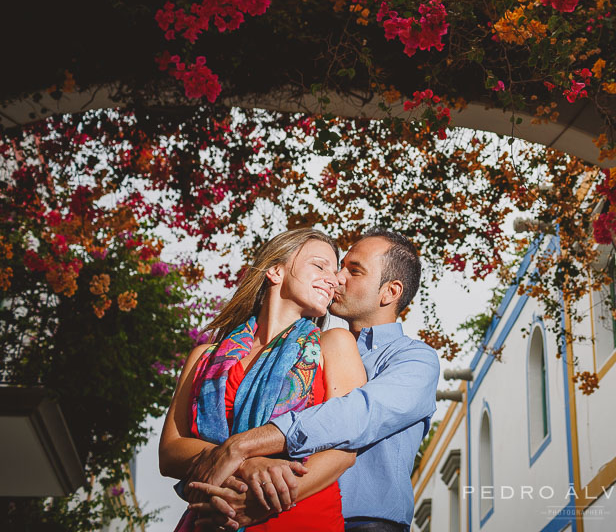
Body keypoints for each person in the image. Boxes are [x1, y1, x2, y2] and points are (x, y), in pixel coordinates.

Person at [184, 228, 441, 532]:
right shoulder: (304, 350)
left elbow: (355, 415)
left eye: (353, 270)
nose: (337, 278)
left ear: (390, 292)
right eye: (336, 267)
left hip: (364, 523)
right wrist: (243, 465)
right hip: (271, 513)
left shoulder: (414, 360)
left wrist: (243, 446)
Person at [159, 227, 368, 531]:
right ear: (275, 270)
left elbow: (344, 450)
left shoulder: (334, 343)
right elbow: (169, 452)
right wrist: (248, 464)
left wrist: (261, 500)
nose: (334, 279)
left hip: (296, 516)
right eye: (319, 265)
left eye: (334, 272)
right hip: (213, 517)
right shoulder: (205, 357)